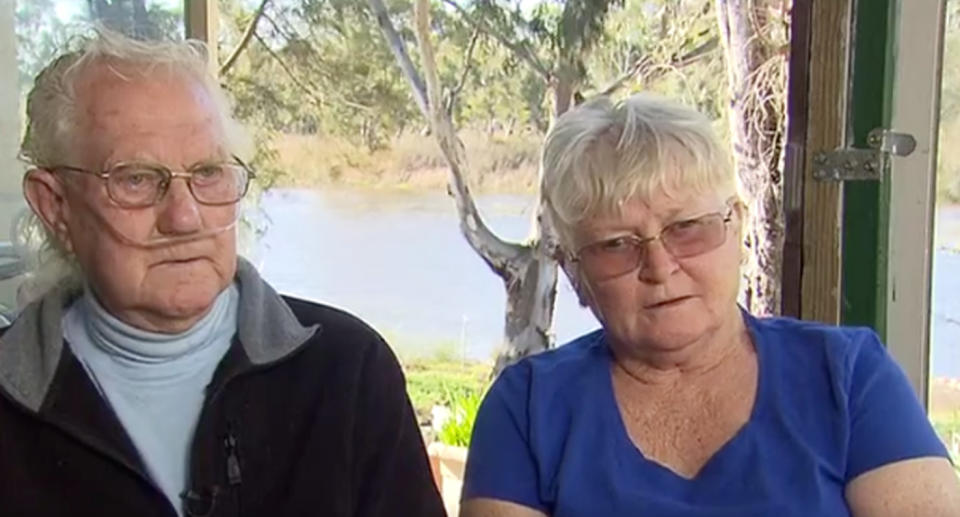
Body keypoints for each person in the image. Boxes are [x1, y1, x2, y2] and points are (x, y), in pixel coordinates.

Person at [0, 30, 445, 517]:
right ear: (55, 205)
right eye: (136, 179)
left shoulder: (349, 372)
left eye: (208, 173)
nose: (185, 217)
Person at [460, 94, 960, 517]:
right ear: (575, 274)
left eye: (687, 228)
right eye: (616, 244)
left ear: (736, 228)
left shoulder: (847, 378)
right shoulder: (527, 409)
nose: (660, 265)